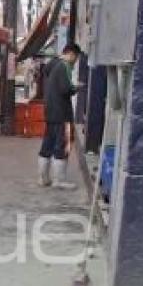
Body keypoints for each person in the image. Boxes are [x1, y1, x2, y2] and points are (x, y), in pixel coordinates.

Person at [39, 42, 81, 189]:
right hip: (63, 113)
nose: (75, 62)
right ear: (71, 54)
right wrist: (75, 88)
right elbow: (65, 89)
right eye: (75, 58)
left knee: (47, 144)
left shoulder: (52, 64)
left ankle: (43, 178)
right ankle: (59, 180)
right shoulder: (64, 66)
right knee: (64, 145)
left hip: (50, 112)